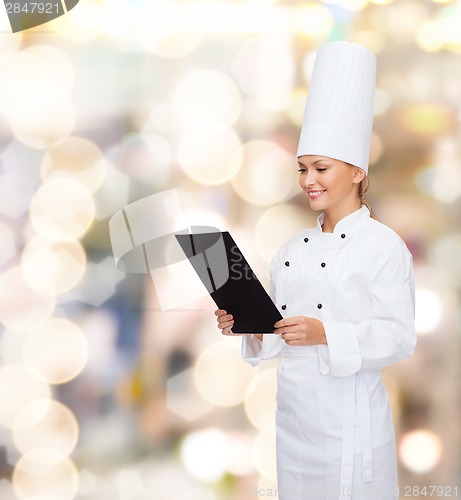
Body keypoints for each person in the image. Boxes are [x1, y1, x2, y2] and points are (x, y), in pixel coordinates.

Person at [215, 41, 416, 500]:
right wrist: (247, 327)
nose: (309, 181)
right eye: (303, 169)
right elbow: (279, 336)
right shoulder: (291, 250)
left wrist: (327, 332)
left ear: (358, 172)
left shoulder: (384, 248)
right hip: (294, 428)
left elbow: (398, 336)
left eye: (321, 168)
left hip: (353, 431)